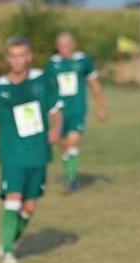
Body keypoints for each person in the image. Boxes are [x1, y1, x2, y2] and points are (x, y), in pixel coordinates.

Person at [0, 37, 63, 263]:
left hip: (38, 154)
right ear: (7, 58)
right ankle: (8, 252)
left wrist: (56, 128)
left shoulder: (42, 81)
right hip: (12, 154)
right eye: (13, 55)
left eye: (22, 55)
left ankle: (10, 239)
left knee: (29, 207)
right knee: (13, 201)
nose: (18, 60)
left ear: (29, 56)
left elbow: (56, 111)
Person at [46, 32, 108, 191]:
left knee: (73, 142)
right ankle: (70, 175)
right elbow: (45, 89)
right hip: (58, 112)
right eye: (60, 45)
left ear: (74, 44)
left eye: (67, 44)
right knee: (64, 146)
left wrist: (101, 107)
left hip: (77, 110)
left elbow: (94, 85)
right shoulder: (52, 64)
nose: (64, 48)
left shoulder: (83, 61)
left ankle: (72, 180)